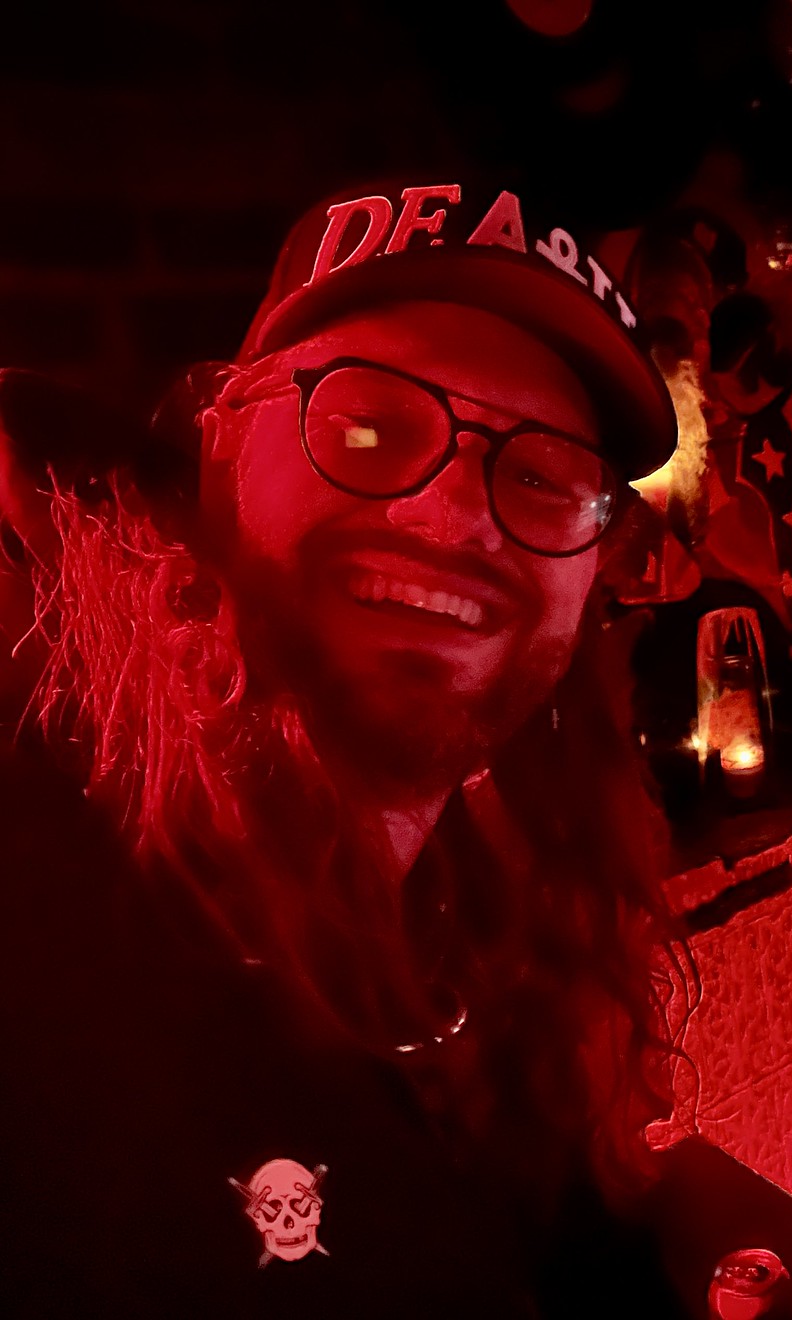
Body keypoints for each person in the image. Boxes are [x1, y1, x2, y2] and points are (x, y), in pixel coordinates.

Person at [0, 182, 696, 1316]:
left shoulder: (509, 953)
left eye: (540, 476)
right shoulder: (58, 893)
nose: (452, 517)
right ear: (220, 445)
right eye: (366, 427)